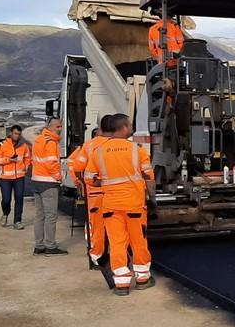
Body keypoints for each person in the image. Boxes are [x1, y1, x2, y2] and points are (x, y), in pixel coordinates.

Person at [85, 113, 155, 296]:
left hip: (110, 206)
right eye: (130, 125)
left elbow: (88, 178)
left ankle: (122, 285)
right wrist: (152, 199)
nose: (131, 127)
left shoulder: (98, 152)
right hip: (134, 205)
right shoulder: (136, 150)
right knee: (138, 241)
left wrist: (104, 184)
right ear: (124, 128)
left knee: (117, 243)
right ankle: (142, 279)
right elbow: (149, 177)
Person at [66, 117, 112, 270]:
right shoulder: (120, 145)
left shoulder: (89, 146)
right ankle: (116, 256)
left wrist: (80, 182)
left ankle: (96, 256)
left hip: (94, 193)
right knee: (115, 226)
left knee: (96, 227)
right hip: (114, 193)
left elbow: (76, 166)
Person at [31, 118, 68, 256]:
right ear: (51, 127)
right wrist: (59, 177)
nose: (60, 129)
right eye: (58, 126)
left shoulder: (39, 140)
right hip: (48, 183)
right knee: (51, 216)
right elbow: (51, 163)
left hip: (36, 181)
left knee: (39, 216)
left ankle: (39, 246)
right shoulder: (51, 142)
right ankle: (50, 246)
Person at [0, 124, 31, 229]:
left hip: (19, 177)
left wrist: (25, 168)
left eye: (19, 134)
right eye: (15, 133)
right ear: (10, 133)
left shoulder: (24, 146)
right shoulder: (2, 145)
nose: (17, 136)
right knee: (6, 199)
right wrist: (8, 160)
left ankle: (17, 221)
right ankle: (5, 213)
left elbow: (27, 158)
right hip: (5, 178)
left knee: (19, 199)